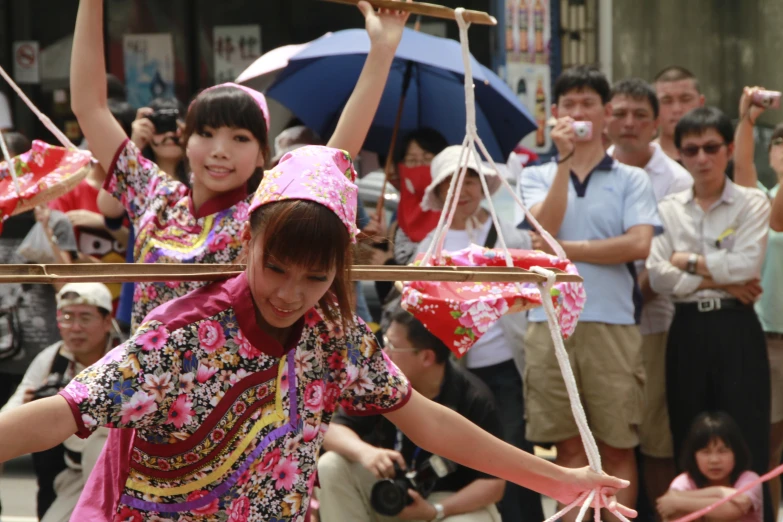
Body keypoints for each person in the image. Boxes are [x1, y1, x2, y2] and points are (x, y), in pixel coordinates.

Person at [0, 145, 634, 521]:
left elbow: (428, 420)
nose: (289, 292)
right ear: (247, 239)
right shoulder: (183, 335)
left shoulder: (336, 334)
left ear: (340, 272)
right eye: (275, 267)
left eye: (315, 276)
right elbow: (61, 414)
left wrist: (559, 481)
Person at [71, 0, 412, 330]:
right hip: (147, 383)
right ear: (185, 141)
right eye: (205, 133)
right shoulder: (152, 196)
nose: (220, 151)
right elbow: (90, 106)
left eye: (240, 138)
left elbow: (338, 153)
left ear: (263, 154)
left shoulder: (267, 211)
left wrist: (382, 50)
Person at [518, 65, 661, 522]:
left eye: (588, 104)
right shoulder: (536, 174)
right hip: (549, 324)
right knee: (567, 447)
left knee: (618, 445)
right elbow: (543, 230)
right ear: (555, 113)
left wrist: (565, 253)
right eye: (570, 105)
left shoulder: (631, 179)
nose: (578, 114)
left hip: (614, 324)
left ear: (605, 114)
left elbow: (638, 245)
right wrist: (561, 162)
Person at [645, 107, 771, 514]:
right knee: (689, 432)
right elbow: (659, 278)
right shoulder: (666, 208)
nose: (702, 158)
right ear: (680, 154)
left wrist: (689, 261)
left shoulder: (752, 203)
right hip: (687, 327)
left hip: (737, 324)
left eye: (711, 148)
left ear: (729, 149)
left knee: (748, 435)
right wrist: (720, 276)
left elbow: (747, 268)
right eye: (691, 149)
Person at [417, 145, 542, 521]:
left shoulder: (511, 238)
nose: (463, 189)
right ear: (438, 192)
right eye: (451, 182)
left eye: (470, 179)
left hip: (508, 366)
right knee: (476, 462)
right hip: (458, 375)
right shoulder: (430, 248)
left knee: (517, 456)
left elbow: (534, 301)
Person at [318, 309, 505, 522]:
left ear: (426, 357)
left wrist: (436, 510)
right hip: (388, 493)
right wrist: (365, 452)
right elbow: (331, 431)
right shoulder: (380, 383)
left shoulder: (474, 398)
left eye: (392, 345)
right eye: (384, 341)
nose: (383, 351)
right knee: (331, 465)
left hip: (448, 503)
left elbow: (494, 483)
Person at [606, 78, 693, 510]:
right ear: (606, 118)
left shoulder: (677, 180)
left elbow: (667, 258)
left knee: (657, 439)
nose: (629, 123)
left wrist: (629, 292)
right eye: (620, 113)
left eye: (641, 115)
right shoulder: (589, 167)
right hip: (600, 322)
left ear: (657, 123)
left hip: (655, 324)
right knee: (606, 439)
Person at [0, 283, 116, 522]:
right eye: (67, 317)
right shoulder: (51, 359)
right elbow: (13, 410)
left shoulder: (124, 358)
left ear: (107, 322)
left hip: (119, 469)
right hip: (70, 471)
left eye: (85, 317)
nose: (75, 328)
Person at [729, 85, 783, 518]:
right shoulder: (762, 203)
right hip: (769, 341)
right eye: (779, 143)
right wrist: (748, 117)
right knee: (769, 446)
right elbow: (742, 164)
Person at [49, 99, 135, 314]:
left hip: (131, 310)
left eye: (114, 138)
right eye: (96, 135)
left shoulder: (142, 190)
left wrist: (104, 224)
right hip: (80, 311)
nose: (104, 144)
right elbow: (56, 256)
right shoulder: (66, 189)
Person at [656, 412, 762, 522]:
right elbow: (671, 513)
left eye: (722, 451)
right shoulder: (684, 482)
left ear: (736, 453)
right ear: (693, 455)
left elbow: (732, 511)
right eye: (705, 452)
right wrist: (722, 493)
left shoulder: (750, 478)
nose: (714, 460)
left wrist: (679, 502)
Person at [653, 67, 705, 162]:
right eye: (666, 101)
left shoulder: (722, 158)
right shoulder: (641, 159)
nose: (676, 109)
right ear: (652, 107)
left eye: (685, 99)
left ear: (701, 103)